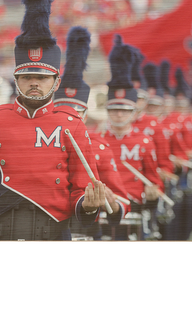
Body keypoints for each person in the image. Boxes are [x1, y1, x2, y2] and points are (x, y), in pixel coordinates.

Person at [0, 0, 105, 241]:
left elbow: (82, 189)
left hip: (53, 233)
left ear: (56, 81)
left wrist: (87, 205)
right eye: (27, 76)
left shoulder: (72, 123)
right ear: (16, 79)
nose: (34, 82)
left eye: (42, 78)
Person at [54, 26, 129, 239]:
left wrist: (111, 202)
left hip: (84, 229)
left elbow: (121, 198)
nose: (69, 119)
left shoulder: (99, 146)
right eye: (62, 112)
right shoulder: (37, 142)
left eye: (76, 113)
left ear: (85, 115)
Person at [101, 34, 164, 239]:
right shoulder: (96, 139)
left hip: (134, 205)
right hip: (102, 208)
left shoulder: (144, 142)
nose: (119, 114)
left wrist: (153, 192)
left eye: (124, 110)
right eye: (114, 109)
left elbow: (153, 180)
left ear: (133, 112)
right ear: (108, 111)